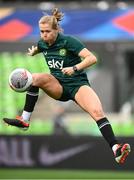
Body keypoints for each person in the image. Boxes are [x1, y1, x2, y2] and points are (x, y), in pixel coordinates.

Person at [3, 8, 131, 164]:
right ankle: (24, 120)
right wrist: (34, 51)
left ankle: (116, 149)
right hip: (58, 86)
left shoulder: (69, 41)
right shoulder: (42, 43)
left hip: (78, 85)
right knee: (35, 78)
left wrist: (75, 68)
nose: (44, 35)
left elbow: (91, 58)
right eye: (41, 32)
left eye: (47, 31)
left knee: (97, 112)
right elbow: (41, 47)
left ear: (56, 30)